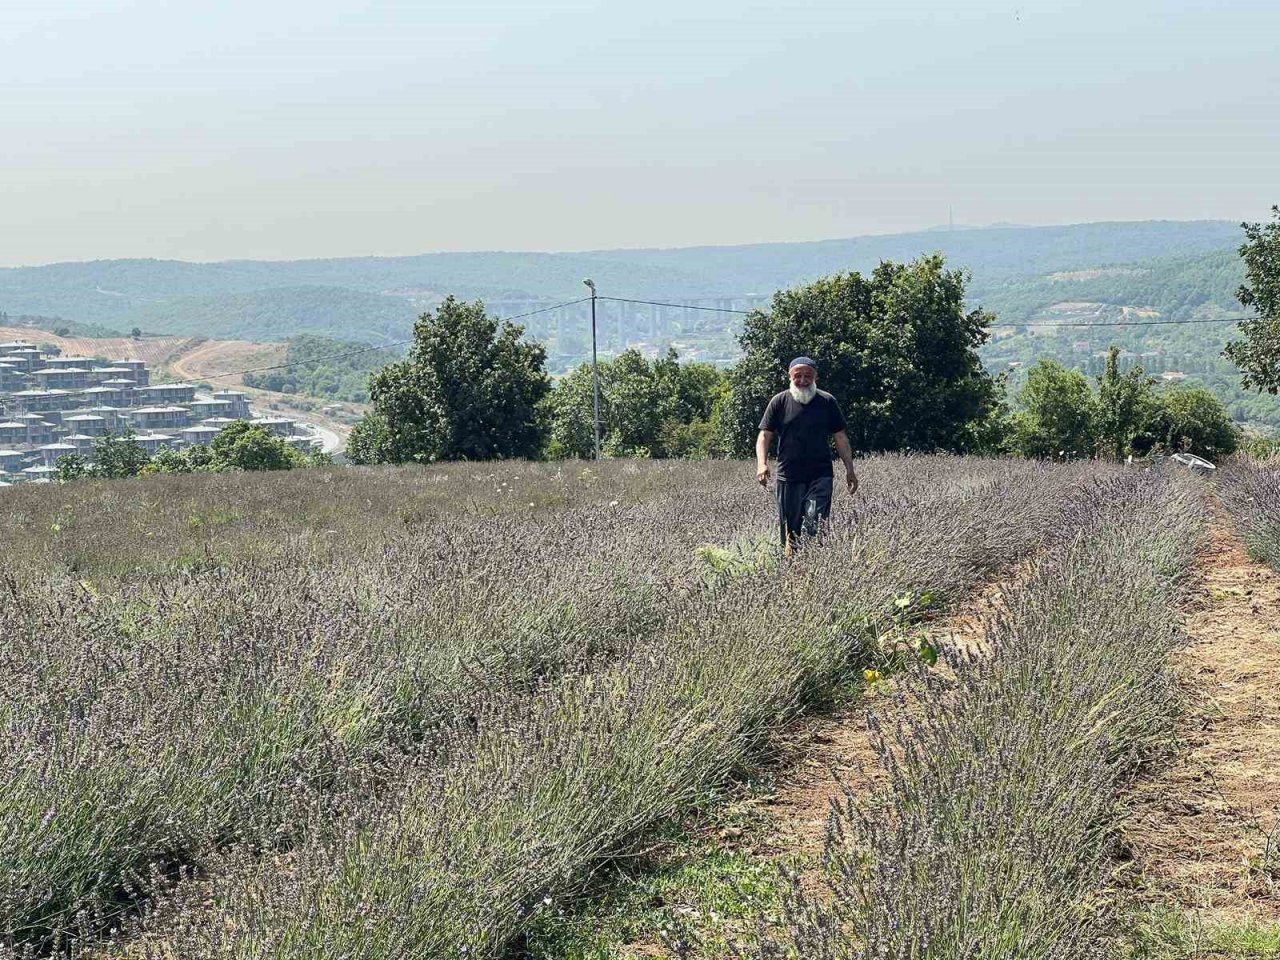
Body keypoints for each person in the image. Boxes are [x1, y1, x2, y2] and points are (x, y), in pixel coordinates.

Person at [755, 357, 858, 553]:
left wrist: (850, 470)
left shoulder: (827, 401)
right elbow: (764, 435)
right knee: (790, 534)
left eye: (808, 376)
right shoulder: (779, 401)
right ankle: (792, 572)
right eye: (798, 376)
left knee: (814, 526)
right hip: (788, 476)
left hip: (821, 475)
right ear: (789, 376)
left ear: (815, 377)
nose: (803, 380)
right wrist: (762, 464)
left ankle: (813, 566)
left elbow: (841, 437)